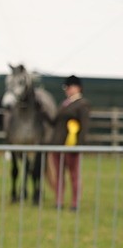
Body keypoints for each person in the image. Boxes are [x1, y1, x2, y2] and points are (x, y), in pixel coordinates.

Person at [52, 75, 90, 210]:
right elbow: (55, 121)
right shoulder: (64, 103)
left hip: (71, 146)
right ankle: (59, 201)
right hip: (57, 145)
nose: (67, 90)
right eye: (66, 87)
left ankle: (74, 203)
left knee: (73, 175)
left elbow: (84, 127)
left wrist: (78, 146)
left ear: (78, 88)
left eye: (70, 87)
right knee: (59, 175)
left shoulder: (82, 104)